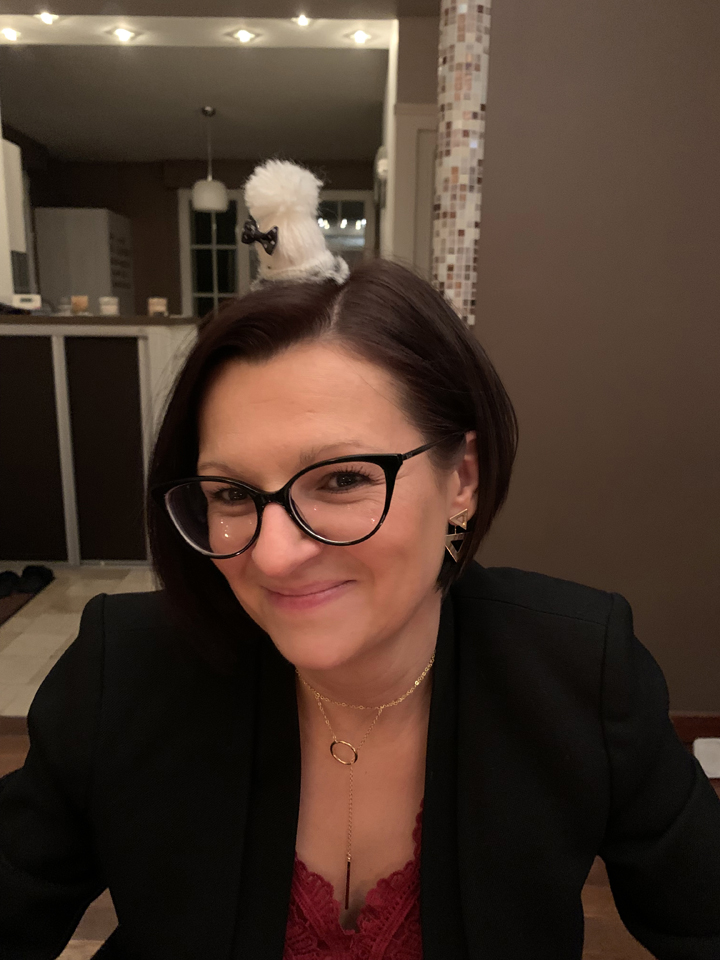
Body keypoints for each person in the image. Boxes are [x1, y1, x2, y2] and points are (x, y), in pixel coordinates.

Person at [1, 161, 719, 960]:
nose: (275, 556)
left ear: (462, 480)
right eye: (232, 493)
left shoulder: (580, 674)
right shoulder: (125, 673)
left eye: (341, 480)